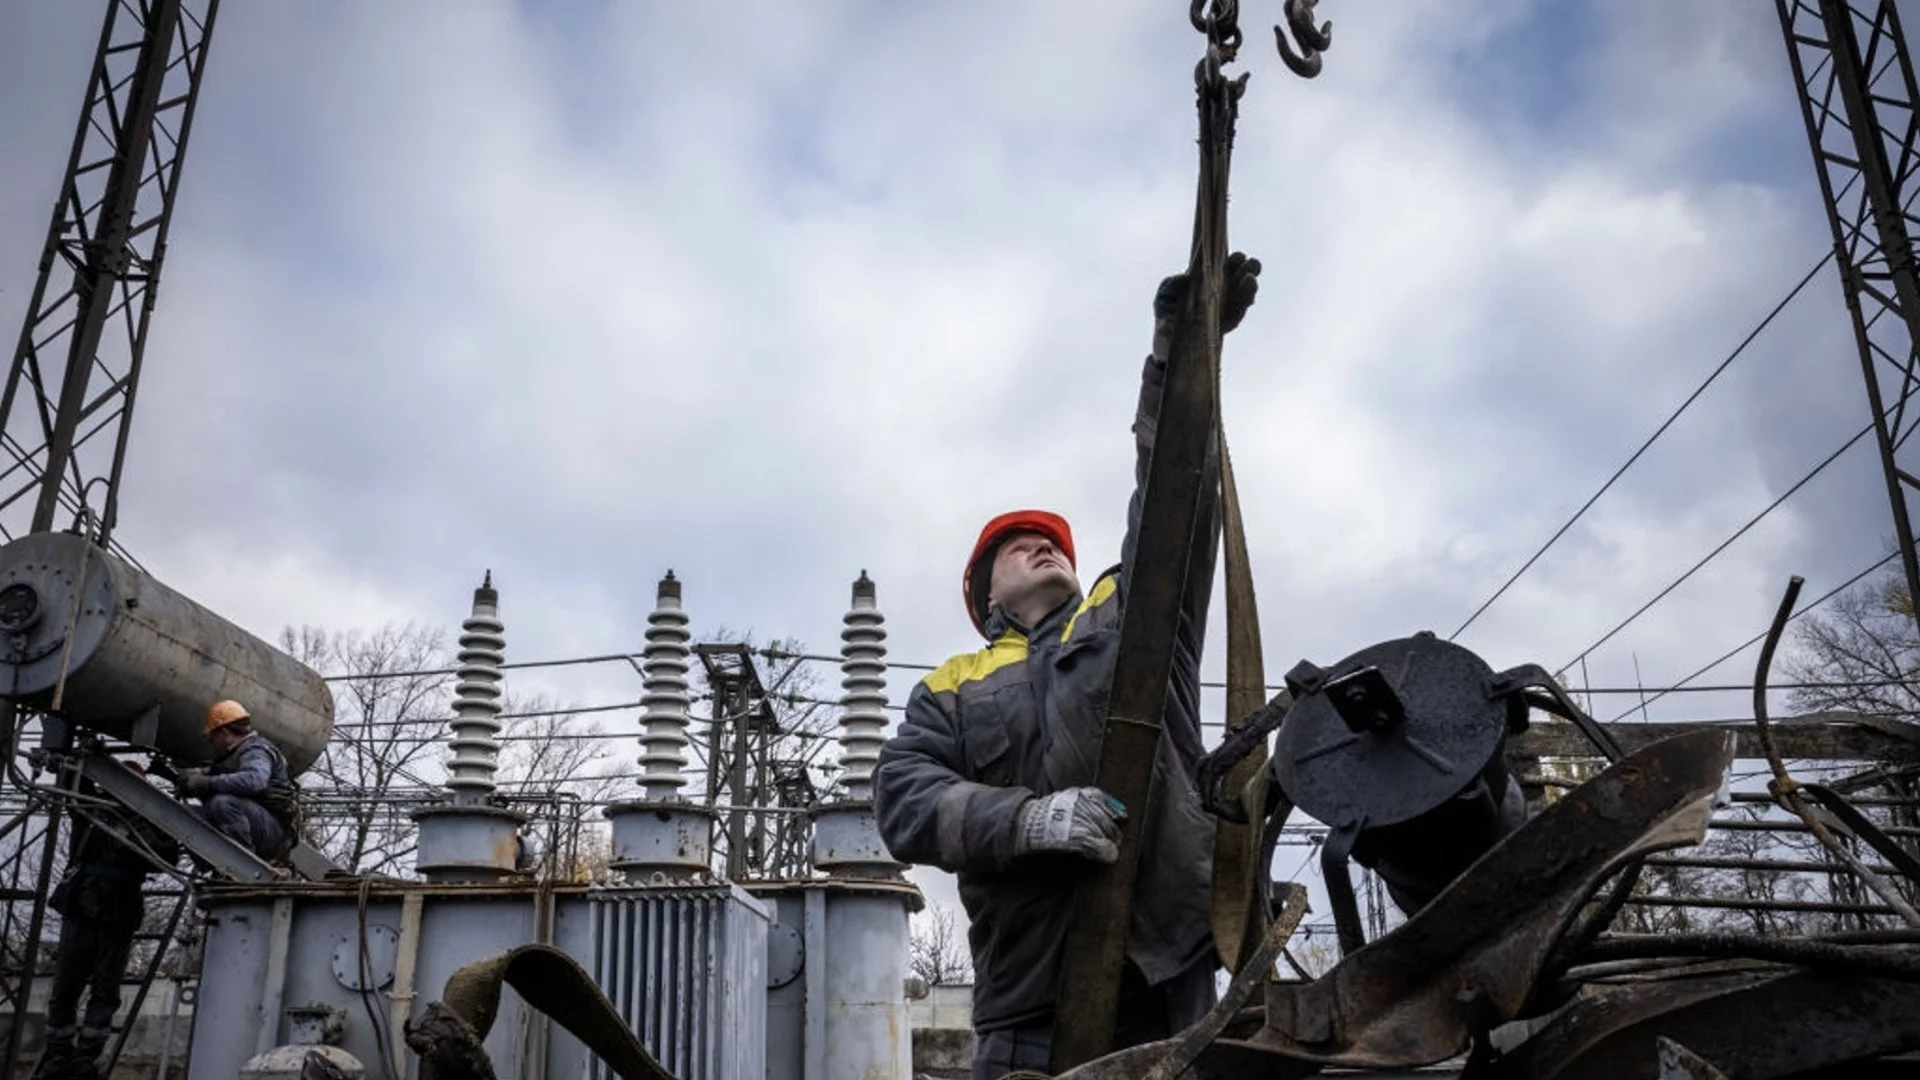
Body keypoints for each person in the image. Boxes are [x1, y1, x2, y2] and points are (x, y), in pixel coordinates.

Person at [873, 255, 1260, 1079]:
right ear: (985, 593)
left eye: (1050, 538)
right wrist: (1025, 821)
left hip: (1166, 972)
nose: (1041, 541)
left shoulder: (1133, 614)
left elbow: (1172, 502)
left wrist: (1181, 360)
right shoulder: (953, 684)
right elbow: (903, 800)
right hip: (1027, 1004)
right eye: (1015, 544)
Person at [39, 767, 178, 1080]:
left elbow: (169, 854)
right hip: (83, 903)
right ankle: (59, 1053)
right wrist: (80, 755)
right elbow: (71, 780)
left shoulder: (145, 819)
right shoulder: (90, 806)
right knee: (66, 986)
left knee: (105, 988)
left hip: (119, 909)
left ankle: (87, 1056)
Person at [176, 700, 300, 862]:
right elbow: (214, 773)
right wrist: (192, 778)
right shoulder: (230, 756)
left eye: (212, 737)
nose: (211, 743)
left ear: (225, 733)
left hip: (274, 832)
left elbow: (254, 781)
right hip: (257, 824)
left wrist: (206, 782)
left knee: (222, 803)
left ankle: (244, 863)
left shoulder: (256, 749)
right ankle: (217, 865)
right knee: (188, 815)